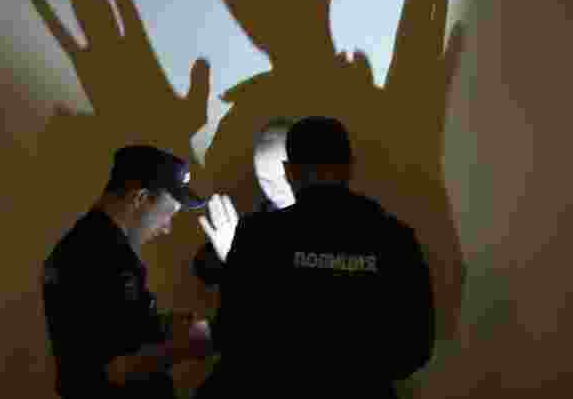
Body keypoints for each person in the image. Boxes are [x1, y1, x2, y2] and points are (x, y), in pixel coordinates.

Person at [196, 116, 435, 398]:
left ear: (289, 171)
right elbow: (416, 346)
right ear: (349, 167)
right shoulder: (394, 237)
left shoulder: (258, 235)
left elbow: (231, 334)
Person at [41, 144, 214, 398]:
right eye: (168, 214)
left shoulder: (91, 246)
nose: (167, 228)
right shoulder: (98, 256)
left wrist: (162, 326)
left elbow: (116, 330)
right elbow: (114, 369)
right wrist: (192, 345)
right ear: (140, 199)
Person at [192, 116, 298, 287]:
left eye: (283, 177)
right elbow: (209, 270)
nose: (276, 190)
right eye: (265, 180)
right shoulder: (260, 226)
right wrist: (229, 254)